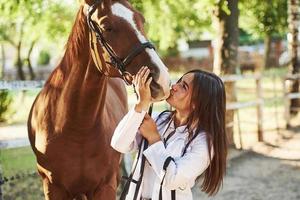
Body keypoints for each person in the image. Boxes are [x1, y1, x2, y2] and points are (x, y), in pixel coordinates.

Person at [111, 66, 227, 200]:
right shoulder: (157, 120)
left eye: (183, 86)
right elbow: (119, 144)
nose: (174, 86)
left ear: (197, 103)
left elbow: (172, 179)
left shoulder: (204, 143)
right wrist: (141, 104)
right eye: (179, 81)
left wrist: (154, 138)